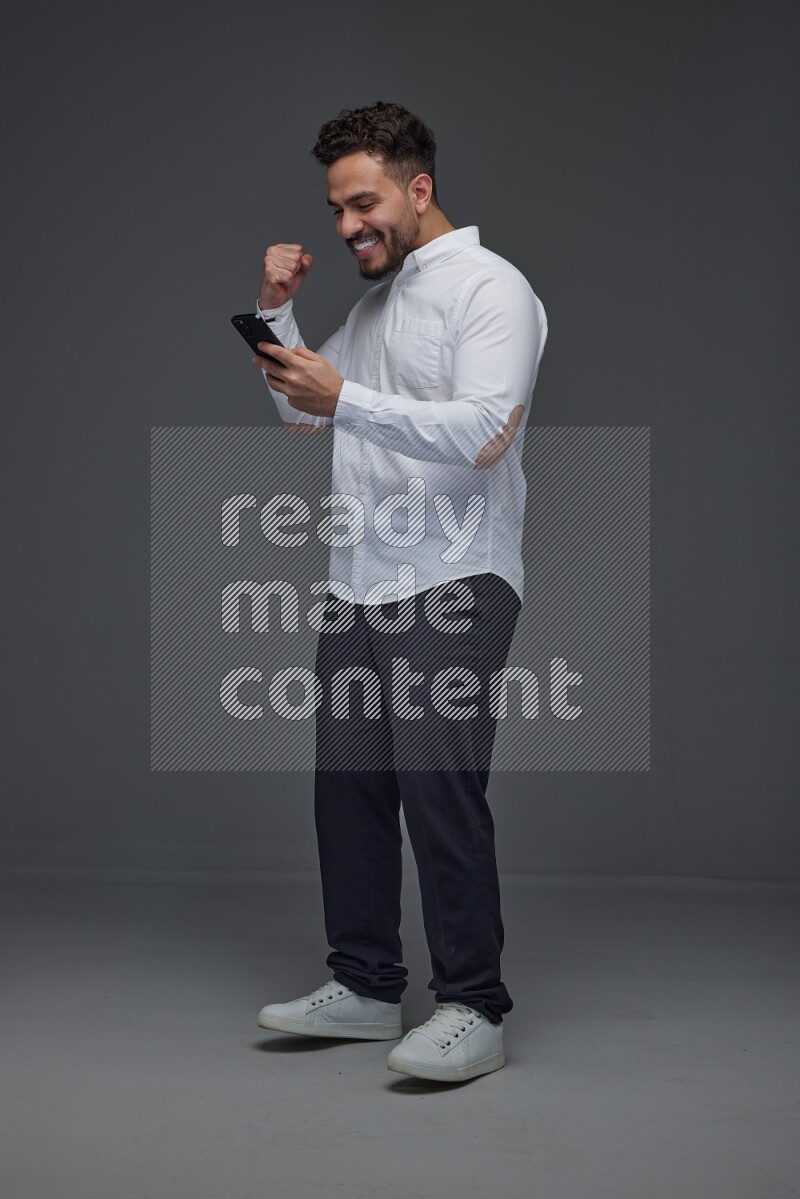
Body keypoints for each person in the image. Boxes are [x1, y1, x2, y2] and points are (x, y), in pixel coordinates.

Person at [253, 100, 548, 1083]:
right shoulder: (372, 308)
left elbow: (481, 430)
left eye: (363, 203)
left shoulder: (491, 289)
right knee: (347, 789)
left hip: (454, 576)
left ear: (417, 188)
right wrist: (277, 313)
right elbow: (305, 415)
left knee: (437, 787)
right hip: (361, 579)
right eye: (337, 209)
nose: (346, 228)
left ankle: (474, 1003)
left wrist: (346, 398)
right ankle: (366, 984)